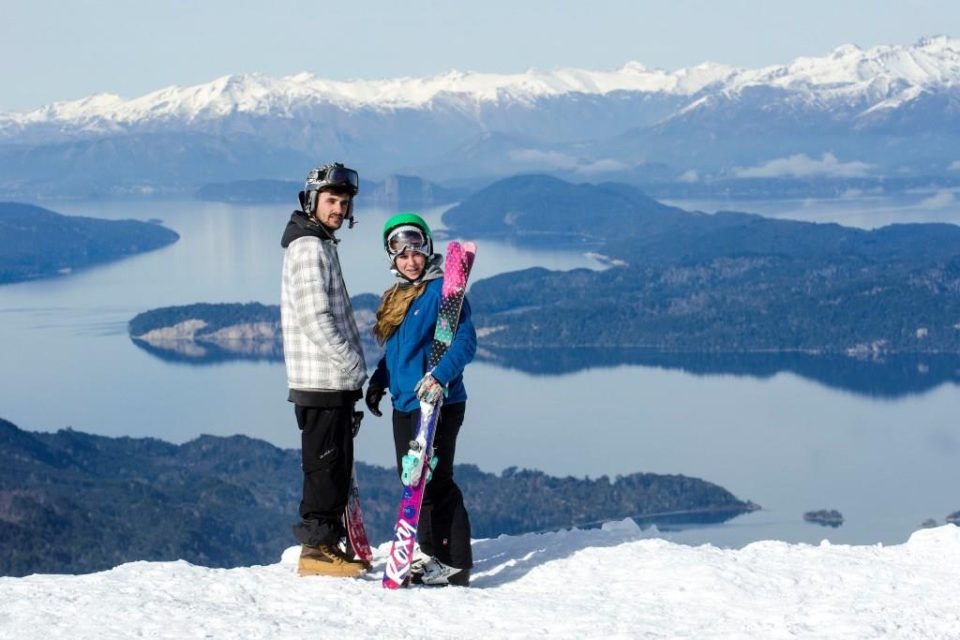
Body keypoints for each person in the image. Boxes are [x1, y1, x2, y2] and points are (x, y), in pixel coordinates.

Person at [365, 213, 477, 586]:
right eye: (401, 255)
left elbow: (464, 343)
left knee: (437, 480)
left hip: (439, 403)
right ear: (392, 259)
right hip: (405, 403)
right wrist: (380, 379)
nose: (410, 261)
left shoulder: (443, 292)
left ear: (427, 250)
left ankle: (455, 561)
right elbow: (398, 351)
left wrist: (438, 378)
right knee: (414, 481)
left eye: (416, 251)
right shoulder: (399, 297)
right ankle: (432, 552)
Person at [280, 162, 368, 577]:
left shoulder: (320, 243)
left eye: (344, 201)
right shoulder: (308, 248)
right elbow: (316, 318)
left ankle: (327, 545)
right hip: (322, 380)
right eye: (331, 200)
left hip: (331, 381)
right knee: (324, 465)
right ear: (311, 201)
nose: (338, 208)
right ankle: (315, 551)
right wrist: (352, 364)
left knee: (333, 466)